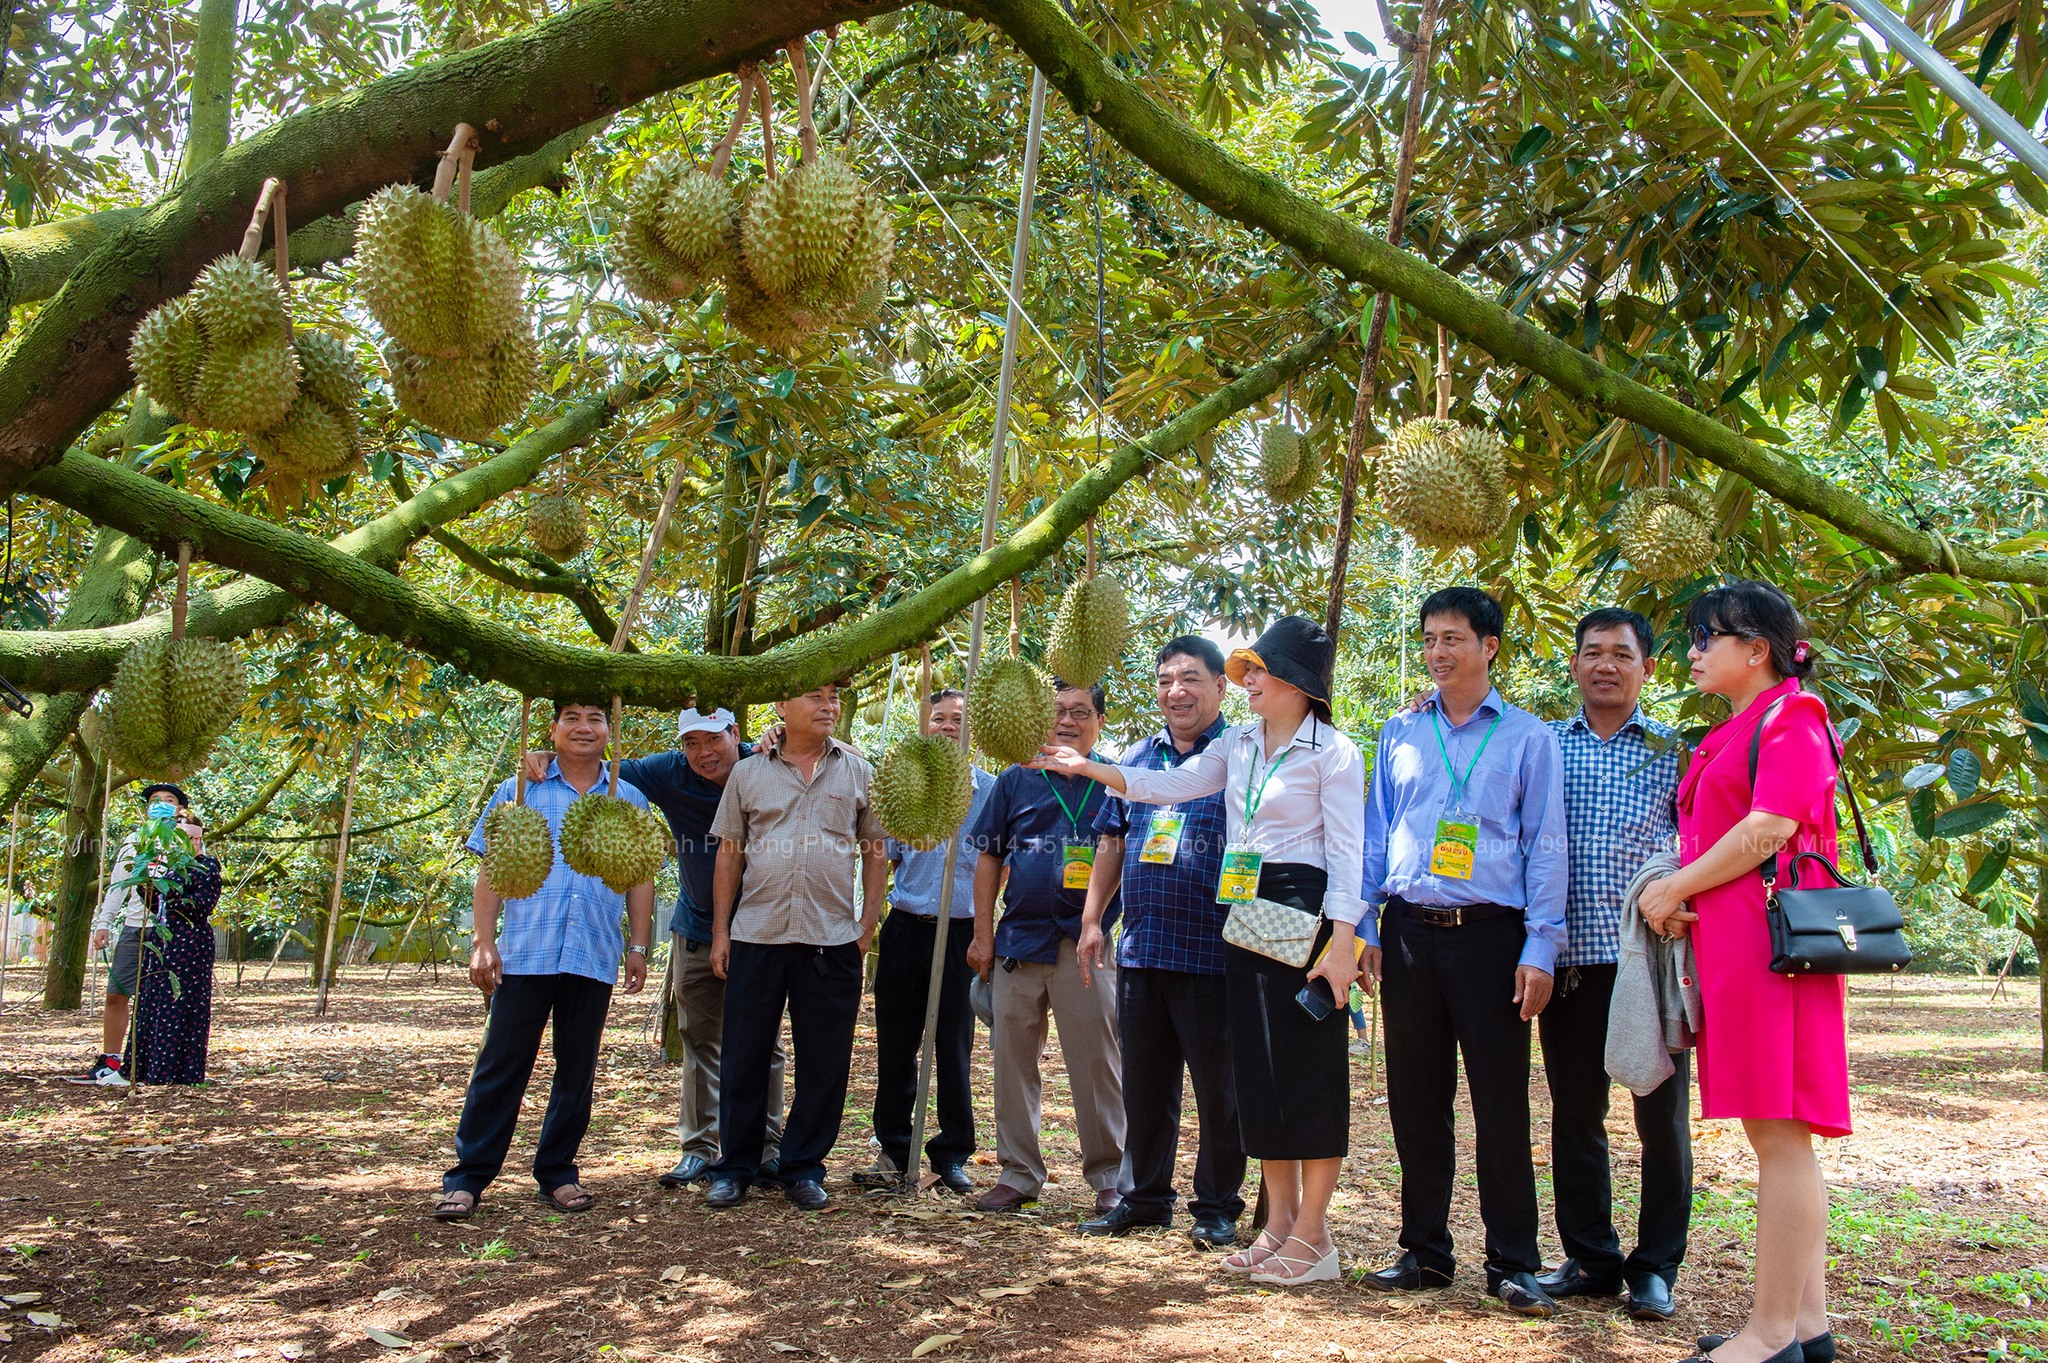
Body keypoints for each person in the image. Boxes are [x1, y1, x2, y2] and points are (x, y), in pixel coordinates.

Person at [1035, 615, 1366, 1286]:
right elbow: (1171, 786)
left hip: (1304, 902)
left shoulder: (1334, 752)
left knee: (1309, 1070)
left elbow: (1349, 856)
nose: (1247, 682)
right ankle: (1278, 1229)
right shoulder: (1239, 744)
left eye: (1257, 672)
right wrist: (1089, 766)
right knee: (1260, 1072)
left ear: (1296, 684)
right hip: (1244, 907)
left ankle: (1314, 1236)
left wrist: (1341, 946)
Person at [1639, 582, 1846, 1363]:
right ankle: (1803, 1326)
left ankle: (1769, 1334)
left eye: (1705, 638)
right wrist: (1679, 897)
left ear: (1755, 648)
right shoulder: (1739, 727)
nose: (1693, 652)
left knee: (1782, 1136)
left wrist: (1675, 888)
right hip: (1736, 956)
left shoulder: (1794, 717)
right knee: (1777, 1135)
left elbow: (1768, 829)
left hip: (1776, 958)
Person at [1358, 586, 1568, 1317]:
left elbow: (1546, 846)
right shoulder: (1400, 731)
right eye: (1430, 639)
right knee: (1417, 1100)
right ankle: (1424, 1251)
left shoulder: (1527, 738)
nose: (1439, 651)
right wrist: (1367, 923)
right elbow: (1376, 831)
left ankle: (1513, 1262)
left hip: (1491, 937)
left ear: (1490, 647)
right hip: (1411, 932)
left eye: (1454, 637)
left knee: (1500, 1104)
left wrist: (1540, 945)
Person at [525, 708, 786, 1189]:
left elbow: (836, 757)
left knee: (762, 1042)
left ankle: (767, 1146)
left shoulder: (769, 761)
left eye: (714, 740)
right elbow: (600, 766)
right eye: (692, 743)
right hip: (696, 928)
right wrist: (548, 754)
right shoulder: (668, 771)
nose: (703, 753)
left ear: (737, 735)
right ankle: (699, 1148)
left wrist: (784, 731)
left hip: (760, 929)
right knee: (700, 1040)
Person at [433, 699, 657, 1221]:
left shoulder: (630, 799)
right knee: (501, 1065)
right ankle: (467, 1178)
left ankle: (557, 1172)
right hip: (525, 953)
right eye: (572, 718)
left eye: (595, 718)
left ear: (610, 729)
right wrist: (482, 942)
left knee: (576, 1071)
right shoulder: (520, 789)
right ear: (553, 728)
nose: (584, 728)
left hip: (592, 951)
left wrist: (639, 945)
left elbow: (642, 876)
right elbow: (491, 868)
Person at [1534, 608, 1693, 1323]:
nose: (1606, 664)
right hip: (1569, 966)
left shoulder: (1678, 753)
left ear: (1647, 668)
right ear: (1574, 665)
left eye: (1622, 654)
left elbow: (1698, 847)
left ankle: (1655, 1266)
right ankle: (1592, 1257)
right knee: (1576, 1116)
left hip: (1650, 964)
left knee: (1660, 1118)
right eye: (1592, 652)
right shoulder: (1543, 746)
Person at [1075, 636, 1245, 1247]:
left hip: (1215, 950)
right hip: (1144, 946)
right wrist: (1094, 919)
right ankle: (1144, 1198)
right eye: (1167, 678)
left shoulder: (1239, 754)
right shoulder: (1138, 756)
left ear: (1221, 688)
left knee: (1219, 1087)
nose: (1178, 690)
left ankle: (1218, 1205)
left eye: (1192, 678)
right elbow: (1111, 840)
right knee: (1146, 1085)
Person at [702, 682, 888, 1212]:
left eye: (834, 697)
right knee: (743, 1056)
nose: (828, 705)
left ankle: (803, 1167)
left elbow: (876, 849)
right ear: (781, 707)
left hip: (832, 939)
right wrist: (721, 932)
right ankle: (734, 1167)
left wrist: (866, 925)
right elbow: (729, 854)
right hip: (756, 934)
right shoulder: (748, 770)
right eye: (814, 696)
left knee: (824, 1061)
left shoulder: (858, 770)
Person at [967, 679, 1128, 1216]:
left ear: (1099, 721)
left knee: (1096, 1063)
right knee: (1011, 1061)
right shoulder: (1015, 779)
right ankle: (1018, 1174)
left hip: (1086, 944)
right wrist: (982, 933)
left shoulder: (1115, 781)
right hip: (1018, 940)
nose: (1067, 720)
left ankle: (1109, 1175)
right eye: (1057, 711)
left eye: (1081, 711)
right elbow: (989, 855)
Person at [862, 688, 996, 1194]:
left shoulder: (990, 790)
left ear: (974, 730)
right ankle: (893, 1150)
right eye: (937, 717)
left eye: (957, 718)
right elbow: (883, 856)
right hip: (906, 924)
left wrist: (984, 932)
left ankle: (953, 1154)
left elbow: (997, 866)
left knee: (954, 1046)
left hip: (962, 931)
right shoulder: (904, 782)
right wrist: (867, 923)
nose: (946, 725)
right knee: (896, 1044)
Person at [71, 781, 191, 1088]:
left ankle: (157, 1063)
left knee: (162, 1000)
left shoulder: (184, 840)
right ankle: (110, 1060)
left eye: (168, 800)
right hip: (134, 927)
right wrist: (102, 923)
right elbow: (117, 886)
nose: (161, 804)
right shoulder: (133, 840)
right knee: (116, 993)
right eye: (155, 800)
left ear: (179, 808)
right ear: (147, 807)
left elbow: (193, 885)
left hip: (169, 929)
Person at [131, 805, 222, 1085]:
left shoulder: (207, 867)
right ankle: (147, 1069)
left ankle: (179, 1070)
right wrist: (147, 887)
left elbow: (202, 904)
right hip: (162, 941)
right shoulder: (167, 868)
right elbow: (155, 905)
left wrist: (169, 898)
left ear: (196, 839)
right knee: (155, 1001)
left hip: (190, 943)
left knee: (181, 1003)